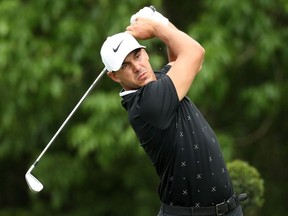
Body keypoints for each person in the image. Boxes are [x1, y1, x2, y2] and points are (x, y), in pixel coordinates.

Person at [100, 6, 245, 216]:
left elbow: (185, 61)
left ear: (146, 52)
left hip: (227, 210)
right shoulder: (148, 103)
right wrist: (158, 26)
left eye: (137, 56)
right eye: (125, 65)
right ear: (114, 76)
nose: (137, 67)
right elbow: (195, 53)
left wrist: (161, 20)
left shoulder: (155, 83)